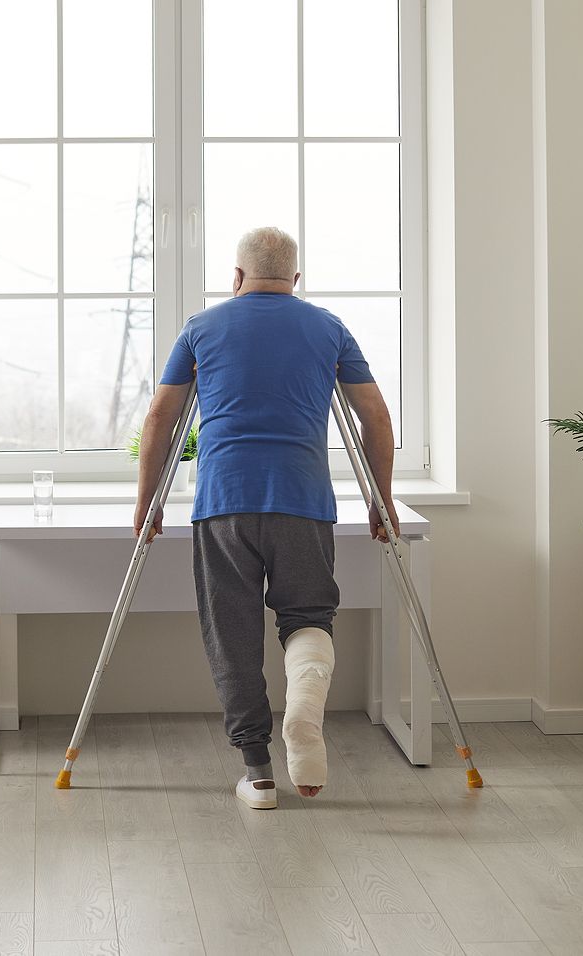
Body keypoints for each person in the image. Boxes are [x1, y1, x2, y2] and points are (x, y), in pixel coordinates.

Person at [133, 226, 398, 810]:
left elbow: (160, 417)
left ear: (235, 277)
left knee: (233, 636)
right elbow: (375, 418)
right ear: (295, 280)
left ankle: (258, 776)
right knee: (307, 615)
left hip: (224, 503)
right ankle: (304, 708)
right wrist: (381, 499)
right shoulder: (327, 328)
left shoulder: (202, 329)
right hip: (302, 502)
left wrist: (145, 502)